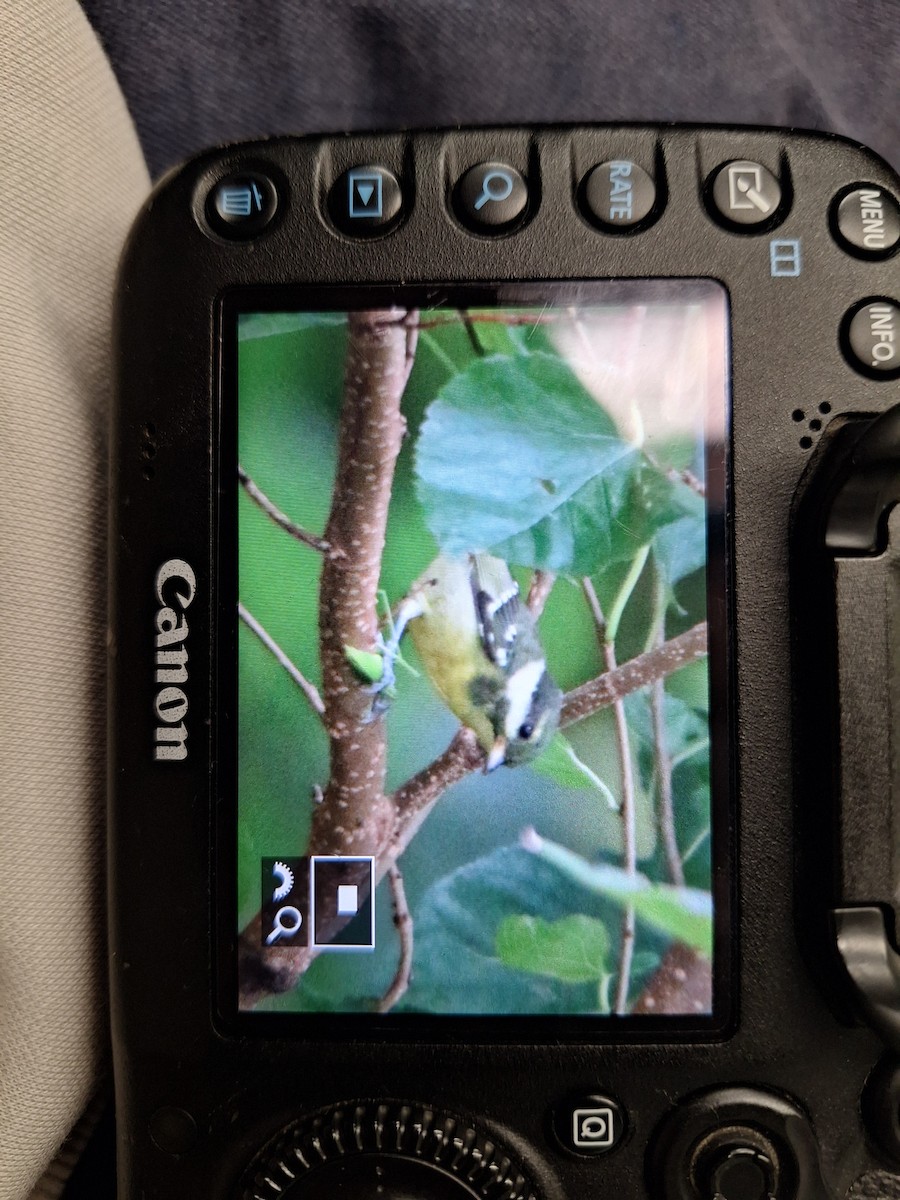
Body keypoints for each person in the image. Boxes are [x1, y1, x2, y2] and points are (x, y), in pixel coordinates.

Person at [1, 2, 897, 1196]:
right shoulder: (487, 644)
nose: (500, 743)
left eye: (508, 735)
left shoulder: (487, 698)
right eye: (511, 731)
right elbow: (466, 608)